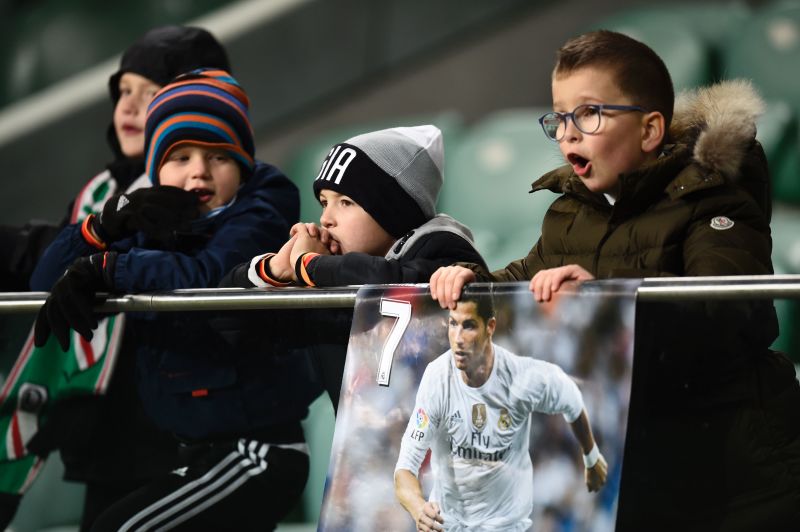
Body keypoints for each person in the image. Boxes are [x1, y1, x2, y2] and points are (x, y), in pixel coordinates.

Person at [429, 30, 800, 530]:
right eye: (559, 118)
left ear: (649, 131)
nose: (568, 134)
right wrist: (468, 281)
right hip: (642, 474)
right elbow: (516, 284)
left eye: (588, 114)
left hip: (736, 481)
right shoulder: (568, 216)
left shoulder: (716, 202)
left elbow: (720, 314)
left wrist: (604, 303)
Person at [31, 69, 312, 531]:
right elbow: (45, 284)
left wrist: (107, 268)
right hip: (194, 450)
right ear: (156, 169)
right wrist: (99, 230)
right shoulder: (154, 223)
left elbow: (205, 278)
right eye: (179, 157)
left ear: (242, 168)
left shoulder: (259, 212)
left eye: (218, 156)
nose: (198, 170)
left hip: (258, 452)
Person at [0, 25, 235, 531]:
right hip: (100, 436)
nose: (128, 107)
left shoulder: (207, 193)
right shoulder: (102, 189)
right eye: (122, 91)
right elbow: (48, 273)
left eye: (149, 94)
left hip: (167, 438)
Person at [221, 124, 488, 411]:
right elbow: (228, 324)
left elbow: (390, 282)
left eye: (345, 202)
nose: (326, 219)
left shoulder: (444, 250)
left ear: (393, 212)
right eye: (324, 203)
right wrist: (276, 269)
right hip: (369, 454)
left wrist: (309, 265)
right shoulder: (333, 279)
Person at [394, 293, 607, 531]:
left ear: (490, 327)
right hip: (450, 525)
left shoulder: (521, 378)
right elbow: (405, 467)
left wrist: (590, 456)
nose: (458, 338)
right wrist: (417, 507)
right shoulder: (437, 378)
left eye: (469, 326)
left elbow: (571, 399)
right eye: (453, 324)